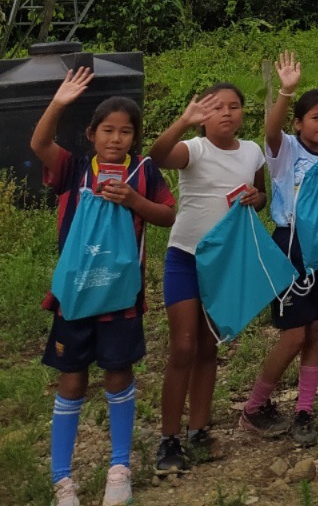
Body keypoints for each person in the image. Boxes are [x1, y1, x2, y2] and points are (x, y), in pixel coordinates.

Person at [31, 67, 176, 506]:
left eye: (126, 132)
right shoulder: (74, 168)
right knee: (71, 381)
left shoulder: (144, 173)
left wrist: (135, 202)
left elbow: (168, 216)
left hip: (121, 298)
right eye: (107, 131)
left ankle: (119, 468)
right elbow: (39, 145)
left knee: (119, 375)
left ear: (135, 137)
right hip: (74, 297)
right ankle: (63, 478)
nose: (116, 139)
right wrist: (58, 102)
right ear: (91, 134)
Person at [148, 83, 268, 475]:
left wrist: (256, 197)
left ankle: (198, 429)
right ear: (204, 115)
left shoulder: (251, 151)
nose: (228, 114)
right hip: (185, 258)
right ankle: (169, 439)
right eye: (218, 108)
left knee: (208, 347)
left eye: (235, 106)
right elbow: (158, 155)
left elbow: (261, 194)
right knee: (182, 347)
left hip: (226, 264)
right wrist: (184, 120)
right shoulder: (195, 150)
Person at [241, 51, 318, 446]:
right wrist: (286, 91)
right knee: (293, 334)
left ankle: (304, 410)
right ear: (299, 123)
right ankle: (254, 406)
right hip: (290, 246)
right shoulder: (286, 150)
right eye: (315, 118)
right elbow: (269, 132)